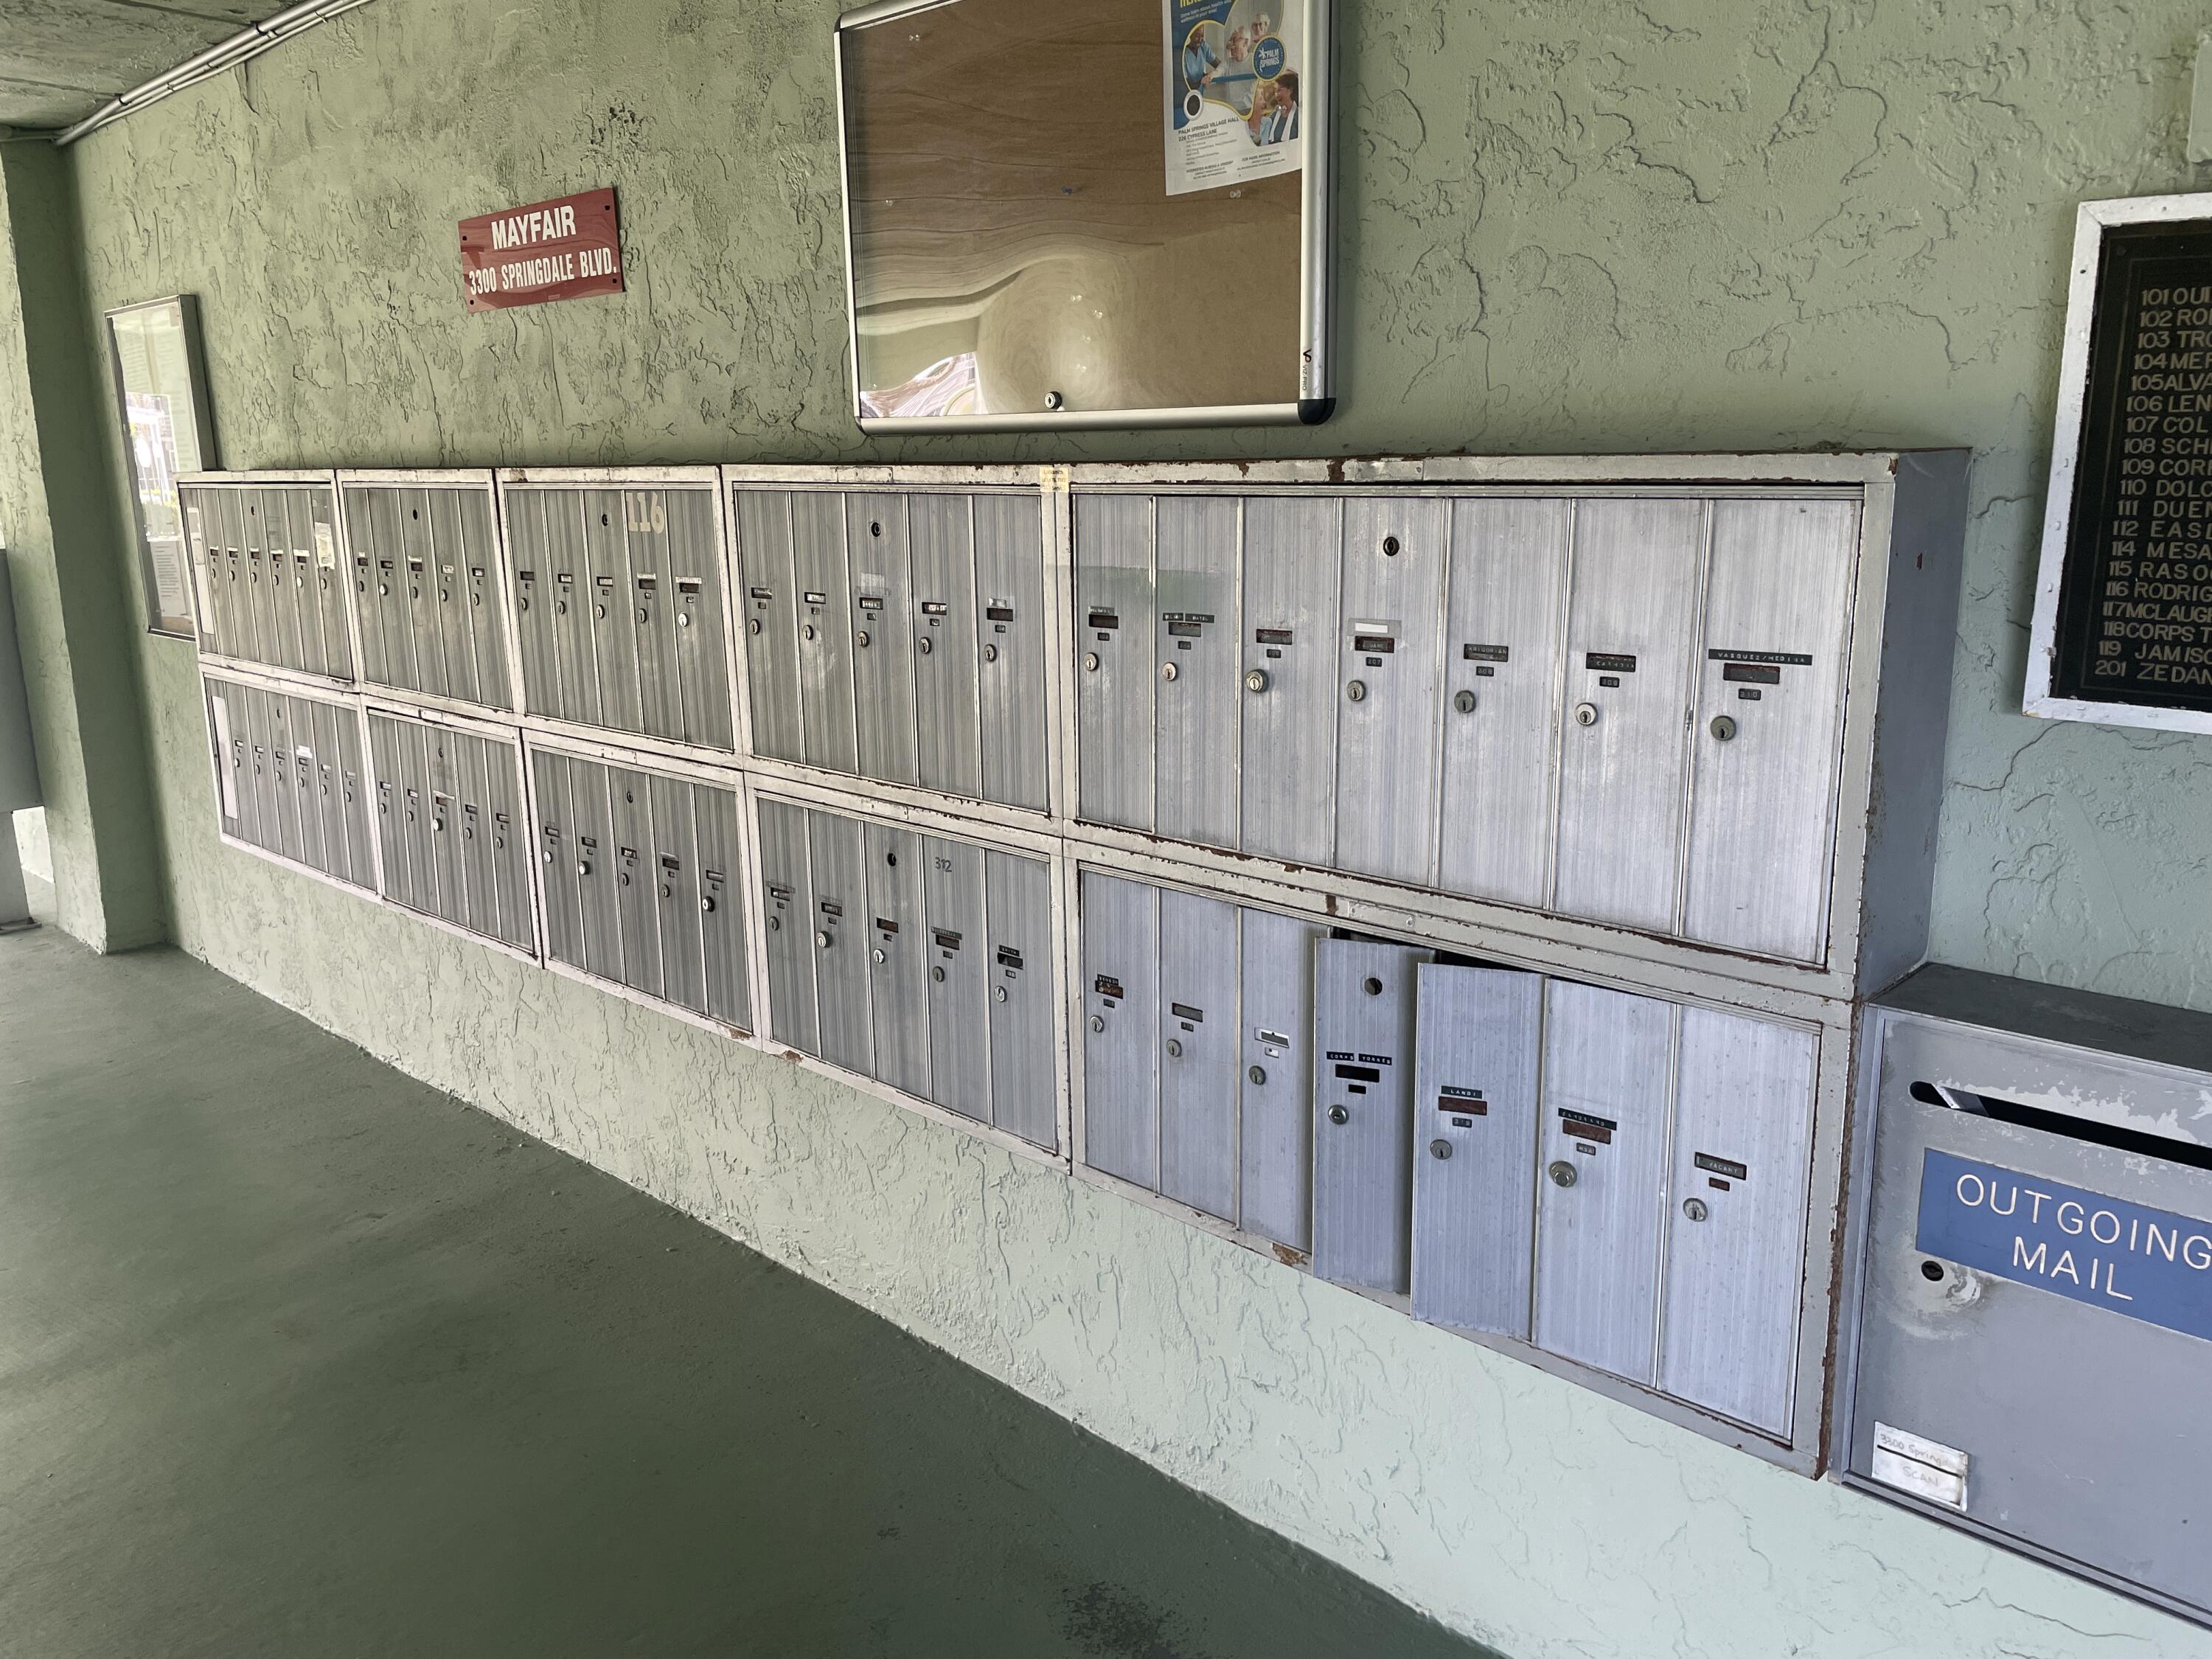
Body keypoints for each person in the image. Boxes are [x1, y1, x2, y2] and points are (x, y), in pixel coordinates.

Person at [1259, 69, 1298, 144]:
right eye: (1275, 91)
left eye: (1279, 90)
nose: (1276, 95)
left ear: (1290, 90)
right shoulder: (1276, 113)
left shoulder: (1299, 115)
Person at [1181, 26, 1220, 91]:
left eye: (1202, 36)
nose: (1200, 40)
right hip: (1188, 95)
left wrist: (1212, 75)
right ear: (1190, 35)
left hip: (1200, 94)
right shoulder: (1183, 55)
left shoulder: (1203, 46)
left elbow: (1219, 65)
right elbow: (1185, 84)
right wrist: (1201, 81)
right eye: (1197, 36)